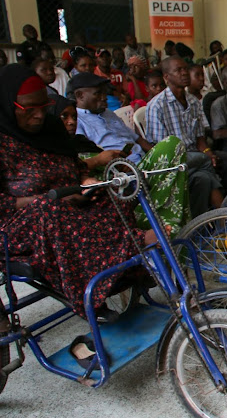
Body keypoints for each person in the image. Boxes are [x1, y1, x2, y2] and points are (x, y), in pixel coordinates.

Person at [0, 64, 155, 322]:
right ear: (8, 104)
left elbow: (75, 166)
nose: (39, 115)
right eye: (29, 109)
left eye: (43, 106)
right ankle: (92, 293)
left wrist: (86, 180)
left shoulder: (51, 128)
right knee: (52, 212)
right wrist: (51, 197)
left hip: (66, 201)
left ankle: (125, 271)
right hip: (18, 222)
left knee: (111, 192)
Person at [67, 78, 191, 233]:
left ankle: (195, 227)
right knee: (174, 144)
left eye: (104, 92)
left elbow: (137, 138)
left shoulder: (109, 114)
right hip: (120, 172)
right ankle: (152, 220)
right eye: (98, 93)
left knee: (198, 173)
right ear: (80, 96)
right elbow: (89, 156)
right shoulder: (78, 122)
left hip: (140, 160)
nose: (104, 97)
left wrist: (154, 150)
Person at [146, 56, 226, 216]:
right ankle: (226, 218)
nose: (184, 73)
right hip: (173, 160)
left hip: (193, 158)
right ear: (167, 77)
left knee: (204, 178)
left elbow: (200, 139)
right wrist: (204, 156)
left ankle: (200, 224)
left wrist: (207, 151)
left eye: (185, 69)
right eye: (178, 70)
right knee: (204, 162)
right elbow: (163, 150)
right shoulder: (157, 106)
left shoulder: (193, 101)